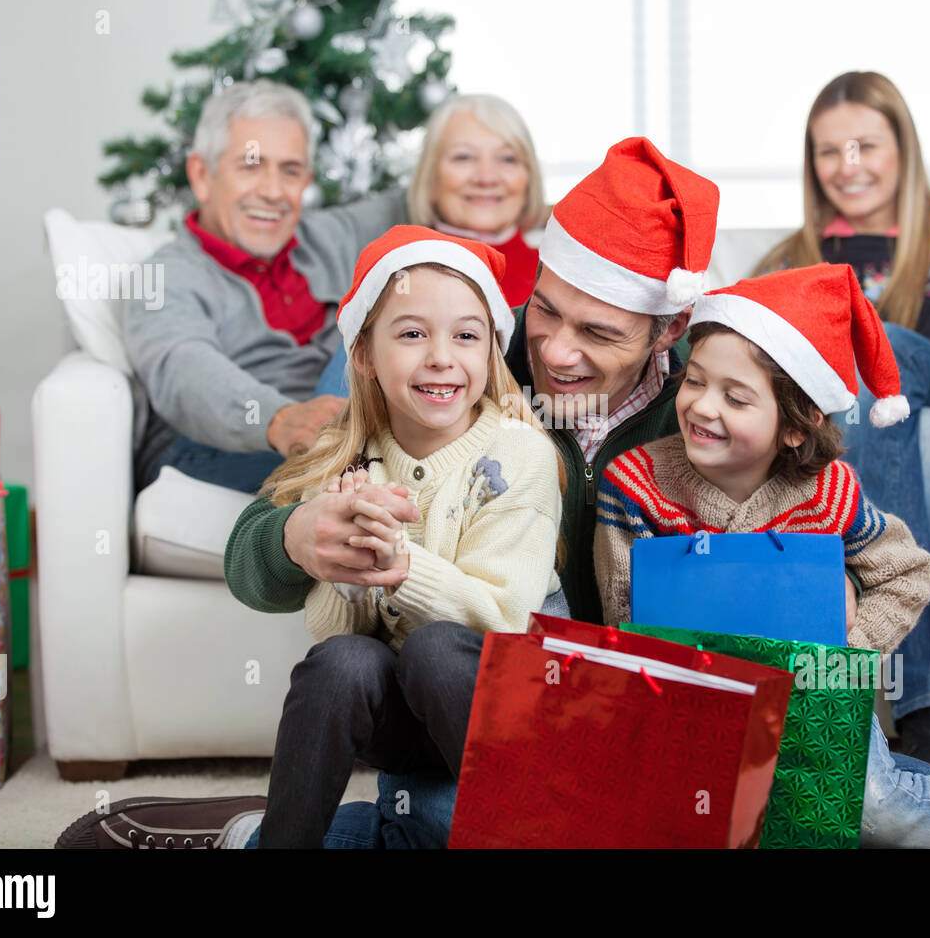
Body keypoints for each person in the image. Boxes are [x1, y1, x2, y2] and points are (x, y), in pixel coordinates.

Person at [593, 264, 930, 849]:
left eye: (736, 396)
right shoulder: (632, 485)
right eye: (695, 381)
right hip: (694, 701)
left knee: (872, 806)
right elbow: (623, 616)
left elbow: (907, 573)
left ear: (797, 427)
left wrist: (847, 657)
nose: (702, 406)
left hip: (814, 697)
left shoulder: (831, 493)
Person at [59, 226, 565, 849]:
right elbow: (332, 635)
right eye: (411, 334)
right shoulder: (345, 459)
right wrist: (347, 564)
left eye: (466, 335)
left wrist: (404, 568)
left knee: (436, 651)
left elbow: (509, 621)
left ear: (491, 352)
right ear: (363, 357)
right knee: (344, 661)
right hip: (414, 731)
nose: (441, 356)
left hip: (506, 718)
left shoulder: (519, 453)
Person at [753, 71, 930, 783]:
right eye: (828, 151)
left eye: (865, 145)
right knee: (927, 434)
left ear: (903, 149)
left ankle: (908, 687)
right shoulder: (791, 261)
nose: (847, 166)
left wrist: (852, 344)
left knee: (908, 374)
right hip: (916, 449)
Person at [122, 79, 408, 495]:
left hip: (337, 435)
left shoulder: (325, 237)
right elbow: (182, 366)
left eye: (290, 171)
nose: (273, 192)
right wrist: (278, 418)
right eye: (251, 165)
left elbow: (419, 196)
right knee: (363, 344)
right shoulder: (166, 275)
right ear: (202, 175)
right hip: (215, 448)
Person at [406, 93, 547, 309]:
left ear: (529, 178)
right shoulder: (399, 274)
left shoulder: (557, 277)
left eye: (508, 158)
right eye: (464, 157)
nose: (486, 177)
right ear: (430, 178)